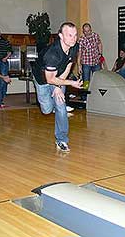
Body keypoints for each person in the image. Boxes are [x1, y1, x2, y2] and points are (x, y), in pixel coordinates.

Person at [32, 22, 83, 152]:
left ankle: (61, 140)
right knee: (47, 110)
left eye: (75, 35)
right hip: (42, 80)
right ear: (60, 36)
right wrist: (71, 83)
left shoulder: (74, 46)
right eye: (69, 35)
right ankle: (53, 106)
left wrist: (59, 85)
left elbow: (68, 65)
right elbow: (50, 79)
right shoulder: (52, 54)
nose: (73, 38)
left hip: (57, 77)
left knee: (61, 106)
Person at [77, 23, 102, 89]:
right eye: (85, 31)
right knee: (86, 81)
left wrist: (100, 53)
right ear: (83, 31)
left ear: (91, 30)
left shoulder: (96, 36)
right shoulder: (81, 39)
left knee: (97, 80)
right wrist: (79, 65)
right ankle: (85, 97)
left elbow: (99, 44)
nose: (87, 33)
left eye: (88, 31)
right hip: (86, 63)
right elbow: (79, 53)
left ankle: (96, 95)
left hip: (96, 61)